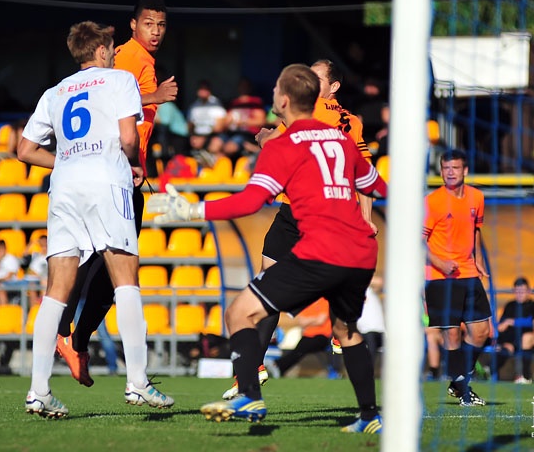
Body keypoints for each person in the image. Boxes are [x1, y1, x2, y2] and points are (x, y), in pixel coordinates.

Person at [148, 64, 387, 432]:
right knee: (347, 332)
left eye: (276, 86)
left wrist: (196, 209)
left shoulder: (283, 144)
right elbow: (375, 185)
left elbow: (249, 202)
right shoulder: (342, 139)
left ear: (285, 99)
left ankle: (248, 394)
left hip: (321, 247)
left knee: (239, 312)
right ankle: (371, 417)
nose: (272, 90)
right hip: (358, 250)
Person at [17, 19, 173, 419]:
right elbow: (127, 137)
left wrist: (68, 160)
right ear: (103, 51)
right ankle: (137, 382)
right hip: (106, 181)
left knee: (57, 289)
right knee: (125, 279)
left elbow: (24, 149)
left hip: (64, 187)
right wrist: (130, 164)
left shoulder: (55, 91)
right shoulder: (119, 80)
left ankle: (38, 391)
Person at [219, 58, 375, 401]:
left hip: (306, 211)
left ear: (332, 86)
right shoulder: (353, 123)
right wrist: (366, 217)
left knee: (267, 289)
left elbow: (278, 144)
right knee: (272, 282)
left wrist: (264, 138)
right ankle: (256, 370)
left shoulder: (312, 113)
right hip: (323, 212)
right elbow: (365, 175)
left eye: (316, 77)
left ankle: (253, 372)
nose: (308, 80)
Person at [54, 0, 178, 388]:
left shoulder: (141, 60)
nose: (155, 31)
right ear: (133, 25)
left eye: (161, 25)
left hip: (125, 169)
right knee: (112, 263)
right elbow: (106, 98)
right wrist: (154, 98)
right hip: (115, 171)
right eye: (149, 24)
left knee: (109, 265)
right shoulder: (129, 60)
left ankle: (75, 338)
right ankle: (67, 331)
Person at [423, 148, 491, 407]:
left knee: (482, 331)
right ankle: (464, 393)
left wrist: (479, 261)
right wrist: (439, 262)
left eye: (455, 168)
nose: (450, 172)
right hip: (440, 278)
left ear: (465, 171)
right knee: (451, 336)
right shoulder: (432, 202)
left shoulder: (477, 197)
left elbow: (476, 230)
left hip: (469, 273)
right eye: (445, 168)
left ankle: (458, 381)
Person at [272, 297, 341, 378]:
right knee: (298, 351)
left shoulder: (324, 301)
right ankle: (279, 367)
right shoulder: (307, 302)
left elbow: (321, 320)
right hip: (307, 336)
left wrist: (309, 321)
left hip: (323, 336)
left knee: (300, 350)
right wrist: (314, 320)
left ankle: (278, 365)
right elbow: (301, 321)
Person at [208, 77, 266, 161]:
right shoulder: (234, 103)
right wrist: (227, 122)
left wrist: (243, 122)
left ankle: (215, 161)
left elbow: (261, 121)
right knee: (215, 143)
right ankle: (213, 162)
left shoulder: (255, 102)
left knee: (230, 147)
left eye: (245, 86)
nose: (243, 88)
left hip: (247, 134)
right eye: (241, 86)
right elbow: (226, 120)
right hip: (231, 132)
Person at [494, 277, 534, 383]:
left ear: (528, 291)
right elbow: (502, 323)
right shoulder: (510, 305)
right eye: (517, 291)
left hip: (524, 338)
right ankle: (484, 372)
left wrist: (512, 322)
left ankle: (525, 376)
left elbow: (533, 322)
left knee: (511, 346)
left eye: (522, 291)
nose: (519, 294)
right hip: (507, 337)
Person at [186, 80, 226, 166]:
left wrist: (203, 138)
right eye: (201, 89)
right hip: (198, 135)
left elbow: (219, 127)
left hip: (213, 135)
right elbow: (190, 125)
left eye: (205, 89)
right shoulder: (194, 106)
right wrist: (193, 136)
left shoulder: (216, 104)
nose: (203, 91)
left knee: (216, 145)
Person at [0, 239, 22, 305]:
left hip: (11, 283)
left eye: (1, 248)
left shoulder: (11, 259)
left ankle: (4, 309)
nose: (0, 250)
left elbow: (9, 276)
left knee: (0, 286)